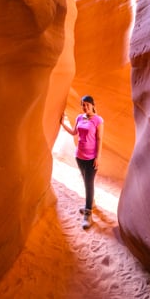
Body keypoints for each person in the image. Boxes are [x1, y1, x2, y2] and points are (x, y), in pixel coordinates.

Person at [59, 95, 104, 229]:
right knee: (86, 182)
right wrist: (62, 123)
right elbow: (74, 133)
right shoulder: (79, 117)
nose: (85, 107)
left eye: (87, 105)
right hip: (79, 156)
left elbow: (100, 139)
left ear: (93, 105)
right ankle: (92, 203)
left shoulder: (98, 120)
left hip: (91, 158)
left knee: (89, 184)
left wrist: (98, 157)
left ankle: (88, 213)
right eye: (83, 105)